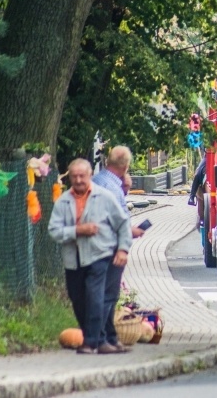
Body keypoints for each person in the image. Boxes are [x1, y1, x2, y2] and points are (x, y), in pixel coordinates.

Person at [48, 159, 132, 355]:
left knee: (95, 297)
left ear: (90, 175)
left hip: (99, 254)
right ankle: (98, 339)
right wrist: (77, 230)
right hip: (73, 258)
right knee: (77, 299)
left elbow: (123, 224)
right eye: (74, 176)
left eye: (82, 176)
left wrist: (122, 250)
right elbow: (54, 231)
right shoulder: (63, 201)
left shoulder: (104, 197)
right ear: (69, 177)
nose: (78, 180)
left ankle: (90, 342)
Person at [92, 146, 141, 353]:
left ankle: (111, 337)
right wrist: (131, 231)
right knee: (108, 294)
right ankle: (100, 339)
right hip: (110, 246)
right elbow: (113, 221)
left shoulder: (100, 180)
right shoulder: (111, 189)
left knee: (107, 293)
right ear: (126, 166)